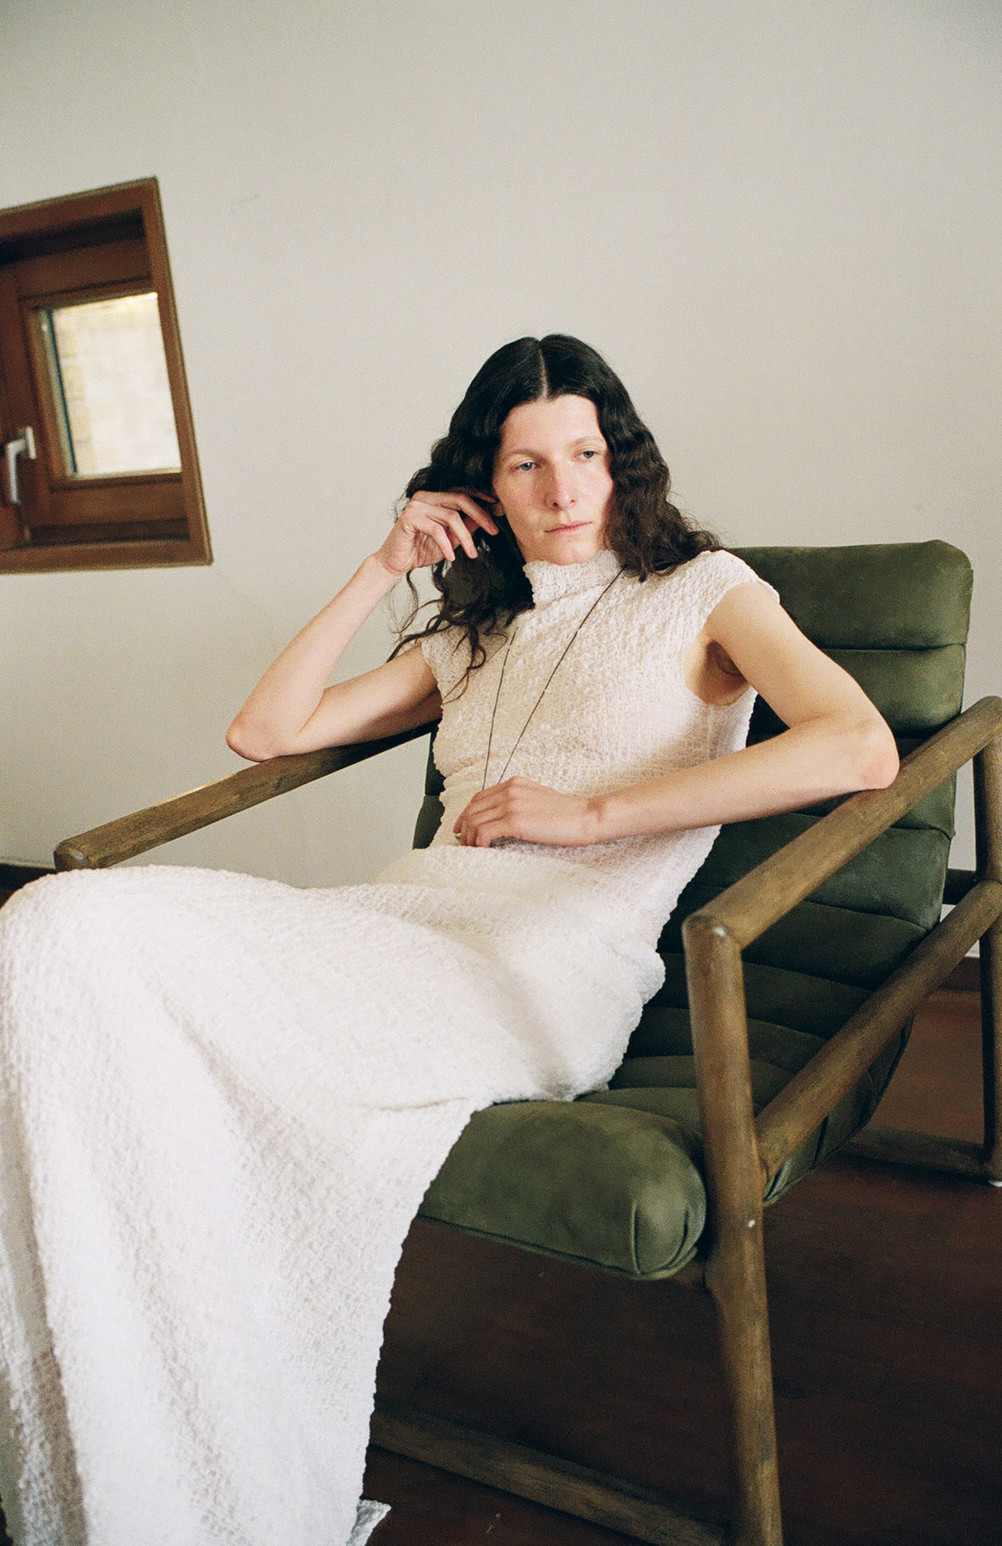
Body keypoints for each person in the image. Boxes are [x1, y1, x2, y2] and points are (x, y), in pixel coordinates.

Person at [0, 336, 898, 1546]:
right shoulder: (475, 633)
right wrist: (380, 566)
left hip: (543, 969)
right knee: (55, 921)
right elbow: (263, 731)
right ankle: (121, 1398)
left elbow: (857, 745)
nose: (564, 490)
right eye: (527, 465)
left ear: (622, 461)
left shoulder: (705, 591)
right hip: (403, 922)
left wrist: (590, 814)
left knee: (92, 959)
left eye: (586, 454)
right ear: (480, 487)